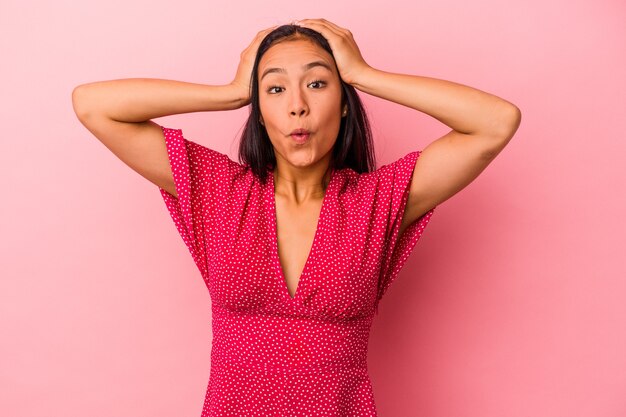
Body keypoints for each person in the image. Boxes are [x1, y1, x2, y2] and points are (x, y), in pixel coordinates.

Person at [72, 18, 520, 417]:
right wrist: (230, 93)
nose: (297, 106)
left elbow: (496, 121)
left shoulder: (376, 201)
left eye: (318, 84)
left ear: (345, 103)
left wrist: (364, 74)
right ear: (260, 112)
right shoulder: (221, 193)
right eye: (275, 88)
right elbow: (93, 104)